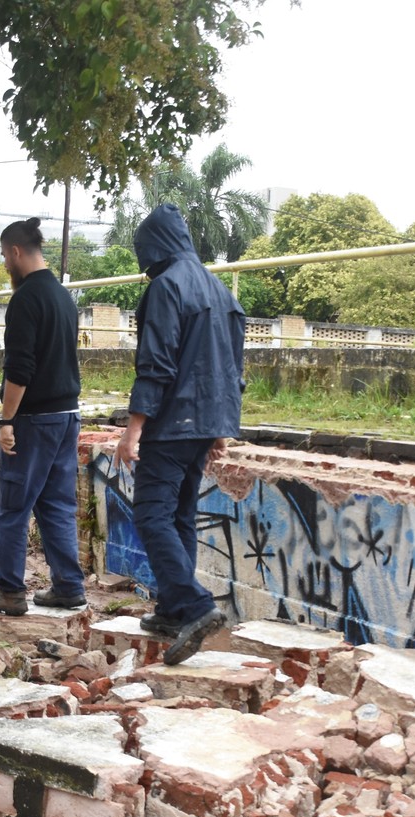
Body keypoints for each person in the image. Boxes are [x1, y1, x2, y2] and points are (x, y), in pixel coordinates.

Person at [114, 203, 246, 665]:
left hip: (171, 425)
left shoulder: (165, 288)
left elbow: (157, 364)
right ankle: (173, 609)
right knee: (181, 516)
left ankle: (194, 605)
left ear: (152, 245)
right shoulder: (220, 290)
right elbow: (234, 368)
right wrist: (220, 428)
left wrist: (133, 430)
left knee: (152, 515)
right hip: (206, 423)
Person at [0, 217, 86, 616]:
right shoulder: (63, 297)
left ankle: (10, 591)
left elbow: (20, 369)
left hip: (34, 421)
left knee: (12, 507)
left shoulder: (26, 299)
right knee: (55, 506)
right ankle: (69, 587)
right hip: (67, 417)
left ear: (16, 251)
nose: (4, 264)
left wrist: (6, 421)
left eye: (4, 255)